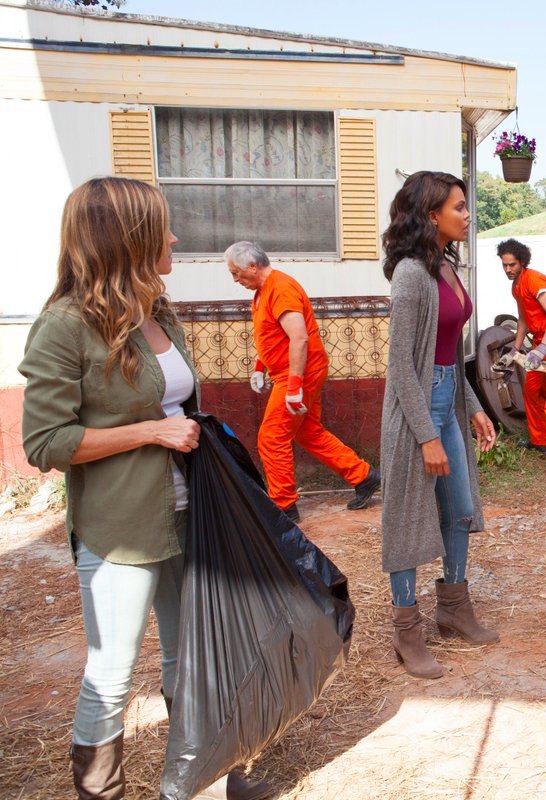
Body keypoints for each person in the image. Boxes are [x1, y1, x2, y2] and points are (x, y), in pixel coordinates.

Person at [20, 177, 270, 799]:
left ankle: (201, 779)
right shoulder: (65, 325)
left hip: (190, 512)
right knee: (111, 674)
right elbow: (44, 442)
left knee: (195, 655)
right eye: (163, 229)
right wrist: (150, 432)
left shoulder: (157, 311)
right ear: (127, 239)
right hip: (122, 528)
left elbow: (178, 406)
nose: (175, 239)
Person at [379, 171, 499, 680]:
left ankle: (452, 608)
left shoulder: (446, 265)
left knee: (460, 509)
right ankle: (407, 631)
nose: (467, 215)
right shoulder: (410, 274)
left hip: (448, 399)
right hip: (417, 409)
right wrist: (426, 435)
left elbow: (449, 352)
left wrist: (472, 405)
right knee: (407, 519)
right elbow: (402, 365)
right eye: (458, 207)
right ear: (432, 216)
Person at [226, 242, 380, 523]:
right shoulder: (262, 292)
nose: (235, 279)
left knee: (272, 438)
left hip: (298, 374)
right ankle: (363, 476)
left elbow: (299, 338)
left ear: (252, 266)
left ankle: (284, 506)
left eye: (236, 273)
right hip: (294, 372)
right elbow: (272, 335)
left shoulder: (280, 288)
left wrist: (294, 386)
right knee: (308, 432)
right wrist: (260, 367)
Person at [498, 237, 546, 475]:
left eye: (512, 264)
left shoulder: (534, 280)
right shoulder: (516, 286)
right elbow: (523, 318)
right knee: (531, 391)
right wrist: (515, 350)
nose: (508, 269)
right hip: (541, 344)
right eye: (504, 265)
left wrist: (543, 348)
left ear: (522, 261)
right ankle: (540, 440)